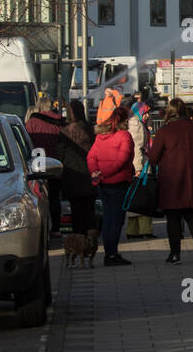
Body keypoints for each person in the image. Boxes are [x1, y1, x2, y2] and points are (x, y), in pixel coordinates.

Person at [149, 96, 193, 265]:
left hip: (171, 179)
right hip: (192, 177)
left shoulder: (164, 131)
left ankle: (175, 254)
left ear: (170, 111)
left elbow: (154, 157)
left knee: (173, 218)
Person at [86, 105, 135, 267]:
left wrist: (96, 173)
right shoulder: (124, 136)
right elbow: (122, 160)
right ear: (123, 120)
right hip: (118, 184)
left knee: (108, 219)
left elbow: (91, 157)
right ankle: (111, 255)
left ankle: (110, 253)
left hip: (102, 185)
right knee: (117, 220)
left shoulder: (100, 137)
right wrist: (104, 173)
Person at [25, 102, 65, 237]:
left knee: (38, 199)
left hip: (38, 166)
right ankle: (56, 228)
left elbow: (27, 143)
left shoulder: (32, 122)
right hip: (56, 165)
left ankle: (40, 229)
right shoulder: (59, 121)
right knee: (54, 198)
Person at [58, 100, 96, 237]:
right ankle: (88, 235)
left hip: (71, 175)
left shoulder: (64, 132)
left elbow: (60, 154)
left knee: (76, 209)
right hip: (89, 173)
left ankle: (78, 235)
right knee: (89, 209)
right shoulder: (89, 129)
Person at [123, 96, 153, 241]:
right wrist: (139, 168)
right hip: (140, 168)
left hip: (133, 167)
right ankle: (145, 230)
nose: (147, 115)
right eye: (146, 112)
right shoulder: (138, 125)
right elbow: (138, 148)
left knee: (133, 199)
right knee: (143, 199)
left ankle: (132, 230)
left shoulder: (130, 123)